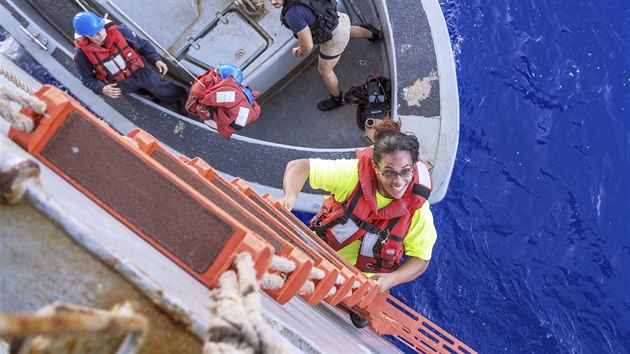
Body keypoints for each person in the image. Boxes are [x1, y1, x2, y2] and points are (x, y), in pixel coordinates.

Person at [280, 125, 436, 297]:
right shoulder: (353, 176)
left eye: (405, 171)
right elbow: (300, 167)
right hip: (316, 252)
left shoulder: (418, 211)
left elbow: (421, 258)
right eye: (389, 173)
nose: (398, 182)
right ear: (375, 168)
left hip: (359, 284)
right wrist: (290, 197)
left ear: (414, 167)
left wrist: (392, 279)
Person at [268, 0, 383, 111]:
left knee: (324, 70)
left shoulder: (292, 14)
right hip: (338, 19)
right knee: (344, 30)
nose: (272, 2)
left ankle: (337, 99)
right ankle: (373, 33)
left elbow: (307, 46)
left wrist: (298, 52)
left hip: (334, 38)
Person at [72, 11, 186, 112]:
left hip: (140, 71)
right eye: (93, 34)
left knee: (158, 87)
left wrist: (155, 59)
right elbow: (86, 78)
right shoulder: (81, 54)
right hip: (120, 83)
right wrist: (102, 88)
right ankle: (153, 96)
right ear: (85, 36)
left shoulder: (120, 31)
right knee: (143, 91)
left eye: (100, 29)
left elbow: (143, 45)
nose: (99, 35)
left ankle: (180, 95)